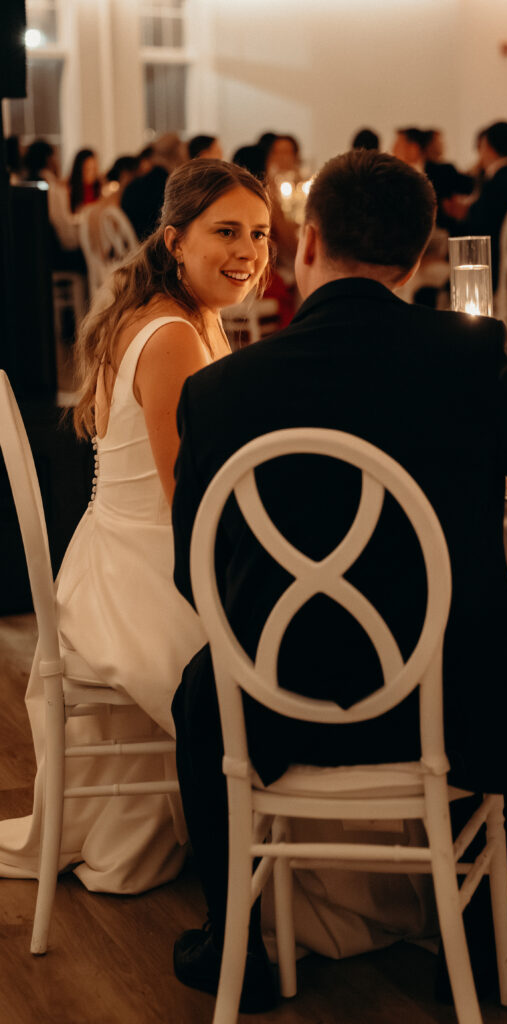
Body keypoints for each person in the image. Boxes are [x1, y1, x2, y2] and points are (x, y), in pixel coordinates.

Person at [170, 149, 507, 1007]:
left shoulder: (223, 390)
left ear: (307, 244)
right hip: (450, 703)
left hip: (270, 704)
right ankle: (485, 928)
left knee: (203, 682)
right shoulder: (470, 353)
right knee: (506, 651)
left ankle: (232, 939)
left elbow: (194, 574)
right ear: (419, 258)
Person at [0, 159, 271, 895]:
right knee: (281, 660)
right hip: (143, 574)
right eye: (226, 232)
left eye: (259, 233)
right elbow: (188, 494)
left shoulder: (185, 313)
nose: (247, 250)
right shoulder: (174, 334)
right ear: (175, 240)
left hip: (116, 554)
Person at [446, 120, 507, 291]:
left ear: (488, 148)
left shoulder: (497, 182)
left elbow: (480, 228)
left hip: (494, 268)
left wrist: (461, 216)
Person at [23, 138, 85, 272]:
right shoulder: (53, 188)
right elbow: (67, 236)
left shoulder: (25, 187)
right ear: (49, 159)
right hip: (56, 254)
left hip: (32, 254)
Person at [121, 132, 188, 241]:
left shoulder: (134, 185)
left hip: (137, 244)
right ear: (179, 155)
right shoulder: (171, 187)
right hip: (156, 245)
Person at [68, 147, 102, 213]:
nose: (92, 174)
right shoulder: (69, 190)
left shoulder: (99, 187)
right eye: (88, 170)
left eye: (94, 169)